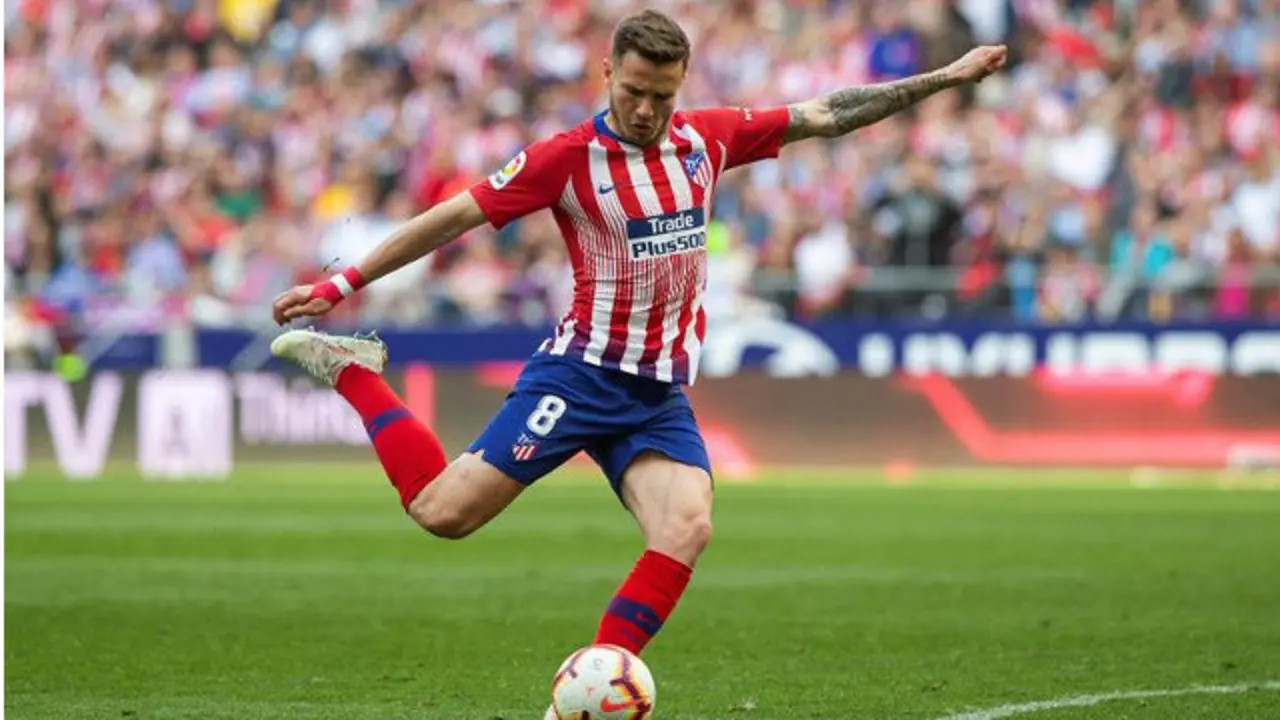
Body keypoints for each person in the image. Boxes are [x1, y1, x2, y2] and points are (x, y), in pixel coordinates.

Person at [268, 9, 1005, 713]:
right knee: (442, 513)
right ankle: (355, 369)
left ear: (681, 84)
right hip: (580, 375)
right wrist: (339, 285)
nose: (647, 109)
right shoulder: (566, 159)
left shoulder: (707, 140)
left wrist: (944, 77)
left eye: (662, 94)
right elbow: (453, 216)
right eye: (633, 92)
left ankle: (584, 697)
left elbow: (828, 112)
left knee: (687, 526)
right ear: (607, 74)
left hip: (657, 395)